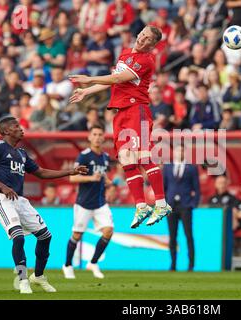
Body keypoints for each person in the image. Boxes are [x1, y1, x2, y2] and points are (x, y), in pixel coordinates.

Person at [69, 26, 172, 228]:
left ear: (152, 46)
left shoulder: (146, 61)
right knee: (126, 158)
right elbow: (113, 82)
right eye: (142, 34)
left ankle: (161, 203)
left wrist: (89, 78)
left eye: (148, 39)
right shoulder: (125, 54)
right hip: (121, 112)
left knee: (143, 156)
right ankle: (141, 206)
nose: (142, 39)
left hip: (137, 110)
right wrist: (87, 91)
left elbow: (116, 78)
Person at [0, 117, 88, 294]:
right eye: (16, 127)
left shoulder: (22, 153)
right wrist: (3, 187)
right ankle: (22, 280)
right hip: (1, 198)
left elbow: (41, 172)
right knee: (18, 237)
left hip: (19, 200)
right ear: (6, 131)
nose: (21, 129)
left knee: (45, 236)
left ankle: (39, 276)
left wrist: (71, 171)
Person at [63, 125, 113, 279]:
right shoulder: (84, 156)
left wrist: (108, 182)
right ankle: (67, 265)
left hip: (100, 203)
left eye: (100, 134)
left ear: (103, 137)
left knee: (108, 231)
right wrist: (91, 178)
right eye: (95, 134)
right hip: (84, 203)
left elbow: (104, 176)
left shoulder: (105, 157)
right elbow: (73, 177)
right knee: (77, 235)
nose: (97, 137)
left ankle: (93, 262)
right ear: (90, 137)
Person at [163, 145, 200, 271]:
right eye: (178, 150)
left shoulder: (192, 168)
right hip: (171, 206)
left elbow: (197, 188)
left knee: (188, 235)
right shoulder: (167, 167)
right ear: (174, 152)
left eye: (182, 150)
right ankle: (173, 264)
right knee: (172, 236)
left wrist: (193, 204)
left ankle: (191, 265)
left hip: (185, 205)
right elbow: (164, 187)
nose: (180, 152)